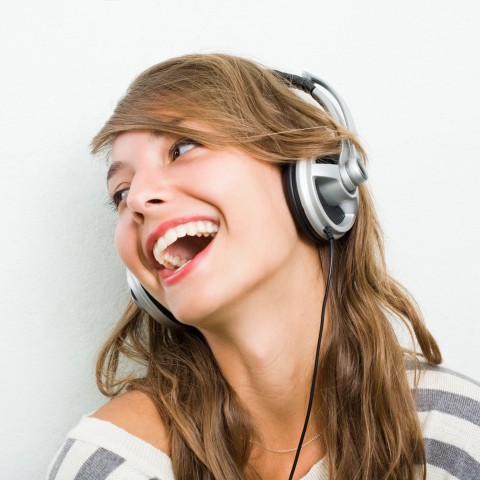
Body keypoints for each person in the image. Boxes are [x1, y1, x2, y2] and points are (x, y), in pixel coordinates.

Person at [47, 54, 480, 480]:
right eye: (120, 192)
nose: (138, 199)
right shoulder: (111, 464)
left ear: (311, 180)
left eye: (181, 148)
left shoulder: (455, 434)